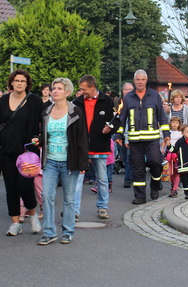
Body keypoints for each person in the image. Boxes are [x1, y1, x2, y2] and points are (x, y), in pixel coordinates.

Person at [0, 69, 44, 236]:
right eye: (16, 80)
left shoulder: (35, 101)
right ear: (11, 82)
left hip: (27, 152)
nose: (19, 83)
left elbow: (44, 122)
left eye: (22, 81)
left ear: (27, 84)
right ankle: (15, 223)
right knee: (10, 188)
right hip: (8, 150)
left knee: (25, 186)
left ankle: (33, 215)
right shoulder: (4, 100)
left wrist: (40, 138)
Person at [35, 78, 88, 245]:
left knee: (69, 198)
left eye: (59, 88)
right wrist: (38, 140)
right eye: (54, 88)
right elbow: (43, 134)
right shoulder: (46, 112)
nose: (55, 91)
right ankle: (49, 232)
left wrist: (83, 163)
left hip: (69, 162)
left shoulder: (75, 112)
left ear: (67, 92)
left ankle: (68, 231)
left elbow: (82, 138)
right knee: (47, 196)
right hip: (50, 160)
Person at [115, 70, 170, 204]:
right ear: (134, 81)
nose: (140, 82)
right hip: (134, 140)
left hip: (152, 139)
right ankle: (140, 196)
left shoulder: (155, 96)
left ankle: (155, 184)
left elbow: (162, 117)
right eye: (138, 80)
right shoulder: (128, 98)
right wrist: (119, 135)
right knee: (137, 168)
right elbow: (122, 118)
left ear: (146, 81)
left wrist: (166, 134)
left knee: (156, 162)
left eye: (142, 79)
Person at [72, 75, 114, 219]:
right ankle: (74, 211)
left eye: (84, 89)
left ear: (92, 87)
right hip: (81, 146)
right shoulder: (76, 102)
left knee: (102, 179)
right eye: (80, 89)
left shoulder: (106, 100)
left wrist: (110, 128)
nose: (81, 92)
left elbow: (114, 121)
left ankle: (103, 207)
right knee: (77, 181)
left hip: (100, 145)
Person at [168, 124, 188, 199]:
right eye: (187, 132)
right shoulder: (179, 142)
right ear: (182, 133)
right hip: (183, 165)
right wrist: (169, 146)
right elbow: (174, 150)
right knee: (185, 180)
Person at [114, 82, 134, 189]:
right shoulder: (118, 103)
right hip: (120, 134)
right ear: (123, 91)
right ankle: (130, 176)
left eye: (130, 89)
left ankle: (128, 180)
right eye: (126, 89)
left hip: (131, 134)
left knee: (131, 157)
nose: (128, 91)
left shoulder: (135, 102)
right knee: (125, 158)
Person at [166, 116, 182, 198]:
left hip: (177, 154)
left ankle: (175, 189)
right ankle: (173, 185)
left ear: (179, 124)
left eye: (176, 122)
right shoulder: (168, 133)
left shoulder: (180, 133)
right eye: (173, 122)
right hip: (169, 154)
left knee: (176, 172)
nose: (175, 124)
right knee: (170, 171)